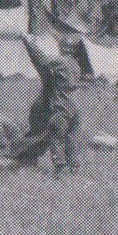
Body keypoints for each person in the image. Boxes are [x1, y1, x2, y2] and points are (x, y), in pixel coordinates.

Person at [13, 36, 82, 173]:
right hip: (76, 106)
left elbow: (42, 60)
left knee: (57, 137)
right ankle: (74, 168)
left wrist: (29, 43)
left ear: (62, 48)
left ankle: (60, 169)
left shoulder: (61, 61)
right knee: (71, 137)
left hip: (62, 106)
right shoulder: (75, 64)